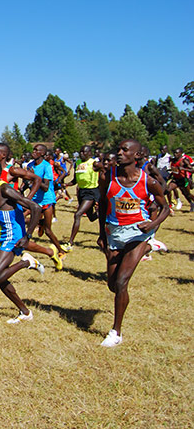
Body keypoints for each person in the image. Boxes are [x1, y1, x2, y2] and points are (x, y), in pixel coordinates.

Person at [97, 139, 170, 347]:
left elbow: (165, 207)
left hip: (138, 233)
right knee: (113, 284)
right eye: (118, 149)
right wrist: (102, 233)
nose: (119, 153)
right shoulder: (107, 177)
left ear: (137, 156)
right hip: (114, 233)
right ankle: (151, 245)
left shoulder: (148, 181)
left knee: (121, 282)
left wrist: (153, 223)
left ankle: (116, 332)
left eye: (125, 150)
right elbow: (102, 203)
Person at [0, 161, 46, 323]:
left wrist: (27, 235)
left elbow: (35, 207)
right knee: (0, 278)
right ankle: (25, 312)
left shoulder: (5, 189)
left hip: (12, 236)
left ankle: (26, 262)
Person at [62, 145, 102, 250]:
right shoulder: (78, 163)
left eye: (84, 152)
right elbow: (75, 180)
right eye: (80, 152)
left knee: (78, 214)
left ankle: (70, 243)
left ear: (90, 153)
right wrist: (66, 184)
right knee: (91, 218)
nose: (81, 154)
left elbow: (106, 172)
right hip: (82, 192)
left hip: (92, 192)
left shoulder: (94, 163)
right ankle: (100, 213)